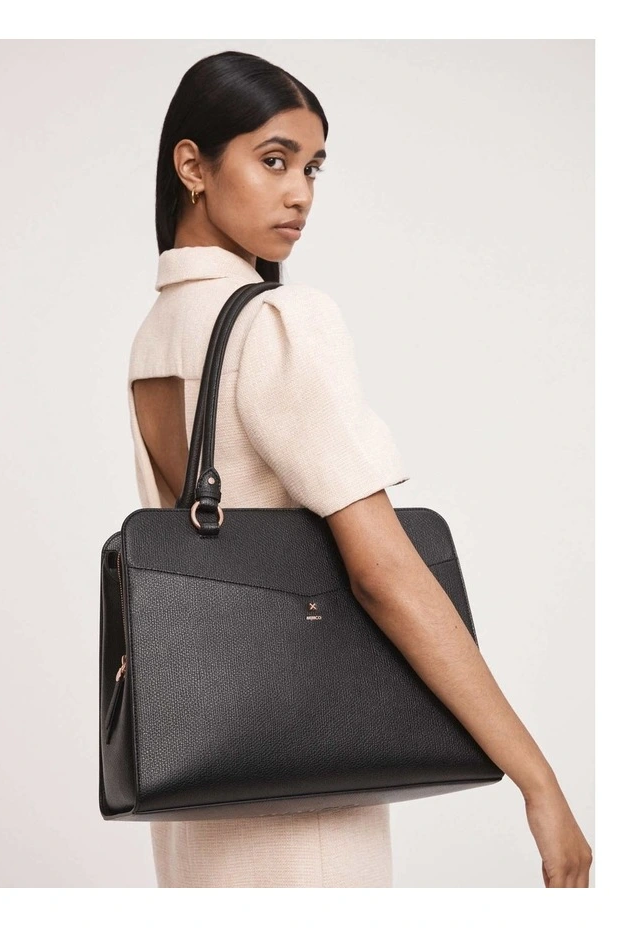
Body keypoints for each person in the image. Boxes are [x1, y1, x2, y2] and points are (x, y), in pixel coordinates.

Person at [126, 50, 593, 888]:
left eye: (312, 167)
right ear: (192, 166)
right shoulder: (279, 321)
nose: (300, 193)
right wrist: (537, 779)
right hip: (305, 801)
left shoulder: (155, 334)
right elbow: (383, 572)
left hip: (200, 794)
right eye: (274, 160)